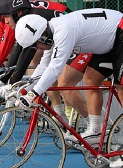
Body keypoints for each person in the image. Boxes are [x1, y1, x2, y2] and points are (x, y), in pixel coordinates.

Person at [14, 9, 123, 146]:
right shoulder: (53, 31)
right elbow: (44, 66)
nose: (36, 49)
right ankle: (96, 130)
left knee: (120, 87)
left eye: (35, 45)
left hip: (119, 32)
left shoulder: (64, 31)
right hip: (109, 42)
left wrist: (33, 93)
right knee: (90, 79)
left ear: (42, 35)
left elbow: (55, 68)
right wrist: (25, 89)